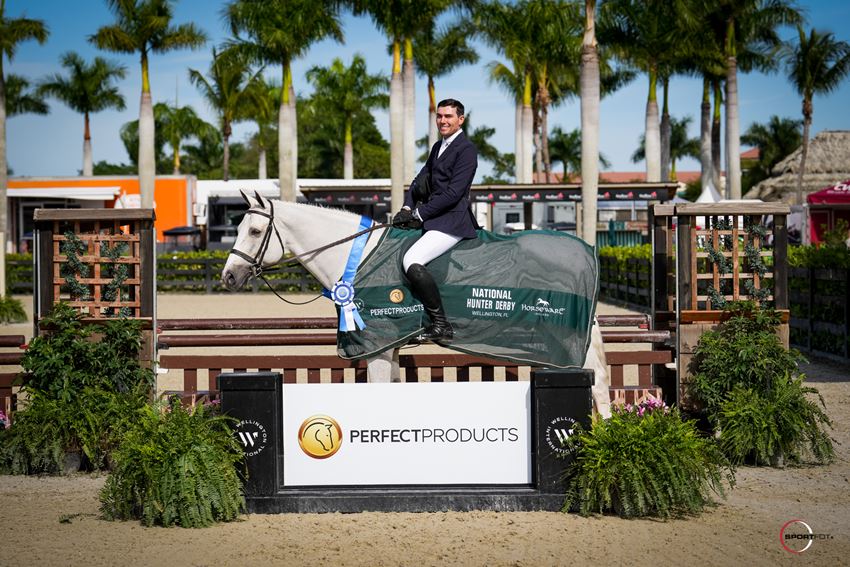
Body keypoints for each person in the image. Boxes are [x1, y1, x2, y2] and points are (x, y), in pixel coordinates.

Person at [392, 98, 479, 343]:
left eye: (448, 116)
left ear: (460, 119)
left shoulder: (466, 149)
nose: (442, 120)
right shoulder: (437, 147)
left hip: (452, 220)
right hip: (434, 217)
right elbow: (420, 181)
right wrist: (407, 207)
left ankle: (441, 324)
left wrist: (419, 215)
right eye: (439, 116)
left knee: (412, 259)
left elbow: (454, 194)